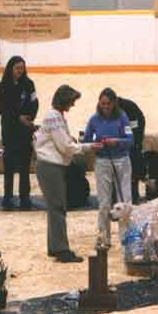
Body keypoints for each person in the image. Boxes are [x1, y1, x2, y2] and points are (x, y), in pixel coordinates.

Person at [34, 85, 100, 263]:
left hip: (51, 166)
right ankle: (61, 249)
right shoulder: (54, 117)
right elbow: (65, 147)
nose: (73, 105)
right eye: (71, 101)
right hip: (50, 166)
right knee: (57, 207)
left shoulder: (56, 116)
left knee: (56, 207)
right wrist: (87, 147)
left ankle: (55, 247)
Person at [84, 88, 134, 248]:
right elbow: (86, 140)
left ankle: (127, 238)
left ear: (114, 103)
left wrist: (116, 141)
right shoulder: (93, 120)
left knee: (125, 201)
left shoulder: (123, 117)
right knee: (104, 203)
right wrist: (94, 145)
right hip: (102, 162)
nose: (105, 106)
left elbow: (130, 140)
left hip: (121, 161)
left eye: (108, 103)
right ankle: (103, 237)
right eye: (102, 103)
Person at [0, 56, 39, 210]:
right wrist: (17, 117)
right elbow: (0, 108)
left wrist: (29, 118)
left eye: (22, 68)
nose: (20, 71)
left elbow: (35, 103)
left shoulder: (29, 84)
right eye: (17, 68)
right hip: (9, 130)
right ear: (11, 69)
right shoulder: (3, 86)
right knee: (9, 167)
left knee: (24, 167)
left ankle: (24, 198)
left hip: (25, 131)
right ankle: (7, 198)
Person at [117, 96, 146, 204]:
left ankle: (133, 196)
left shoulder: (130, 108)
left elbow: (135, 130)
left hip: (135, 132)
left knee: (133, 163)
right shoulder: (105, 107)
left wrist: (134, 144)